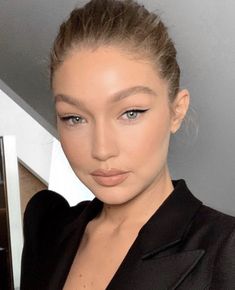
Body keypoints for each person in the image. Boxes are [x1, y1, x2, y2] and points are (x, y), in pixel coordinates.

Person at [20, 0, 235, 289]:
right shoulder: (48, 229)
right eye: (74, 118)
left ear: (177, 110)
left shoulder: (225, 251)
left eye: (130, 113)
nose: (102, 149)